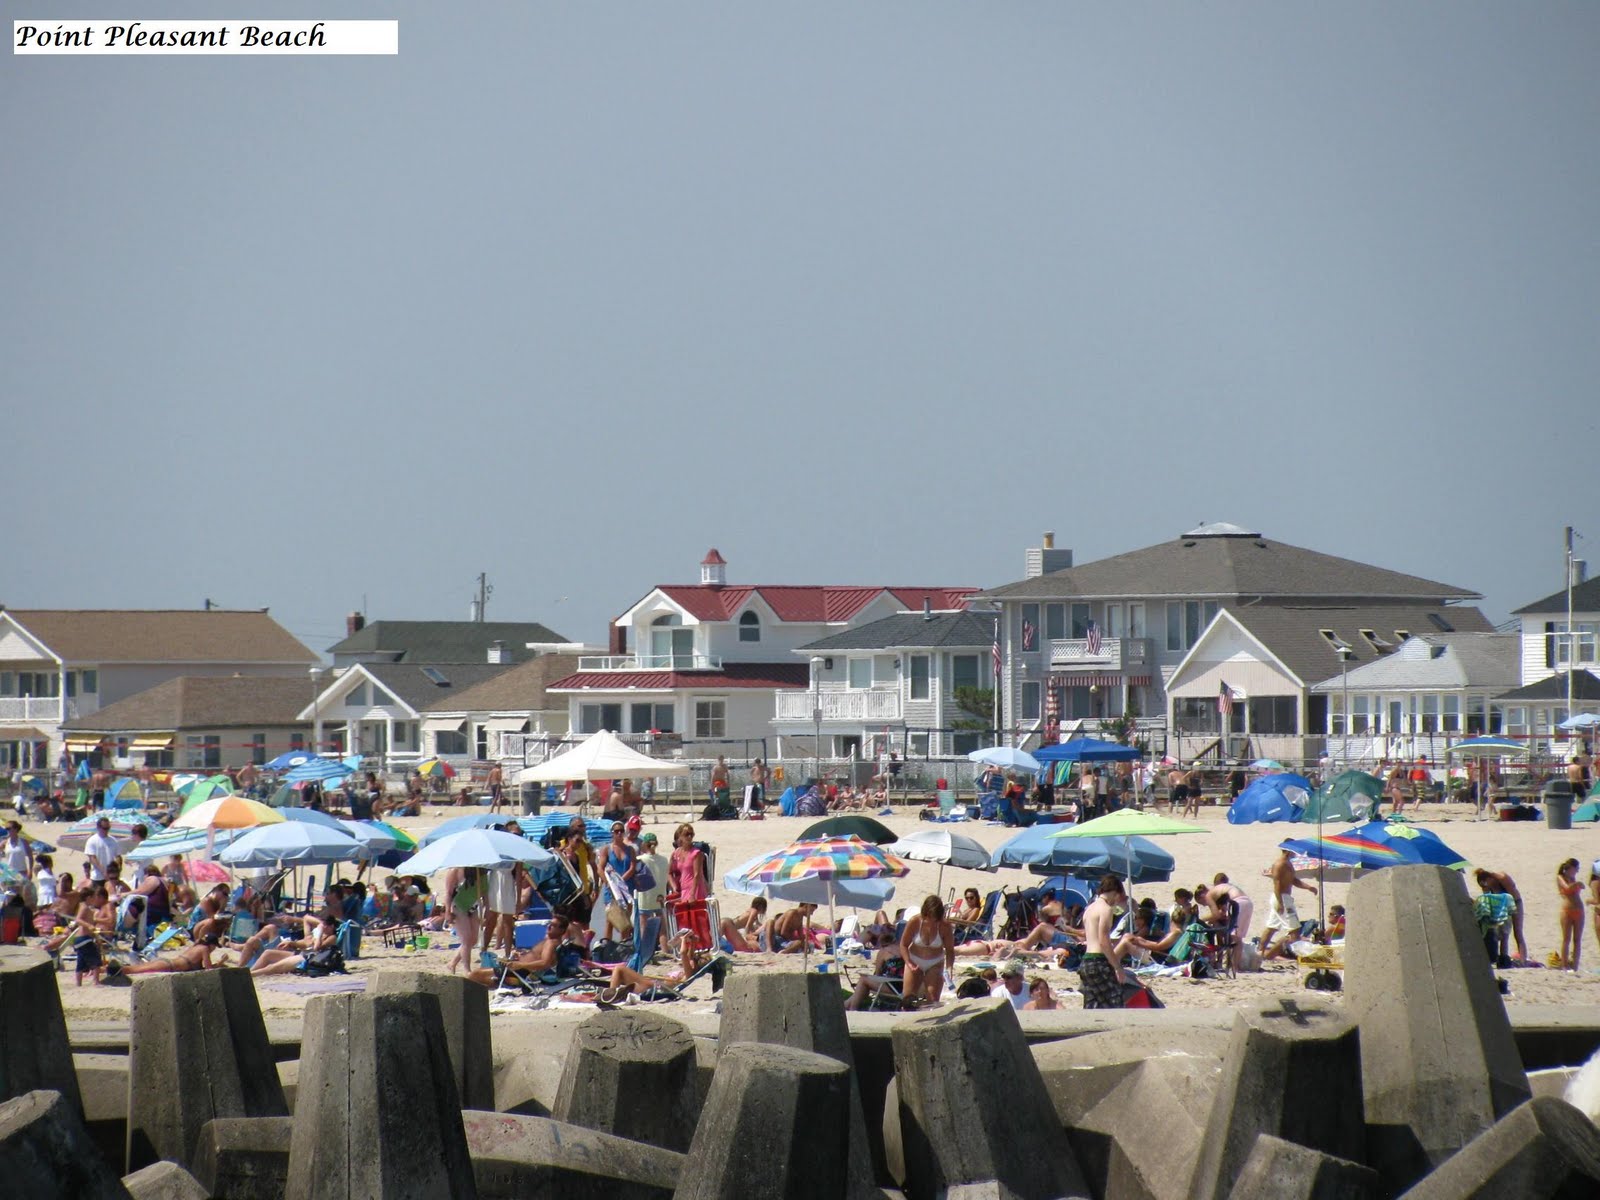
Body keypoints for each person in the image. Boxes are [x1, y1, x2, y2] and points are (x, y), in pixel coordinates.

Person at [467, 913, 571, 987]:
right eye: (549, 923)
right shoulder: (551, 940)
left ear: (561, 930)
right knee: (486, 969)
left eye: (553, 926)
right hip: (519, 967)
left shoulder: (551, 943)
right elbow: (538, 957)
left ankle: (501, 982)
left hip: (521, 971)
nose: (549, 927)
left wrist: (520, 965)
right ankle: (502, 981)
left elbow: (545, 963)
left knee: (474, 974)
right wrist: (522, 955)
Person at [1079, 874, 1129, 1009]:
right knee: (1115, 1000)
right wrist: (1118, 967)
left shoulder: (1089, 909)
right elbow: (1103, 941)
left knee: (1093, 1004)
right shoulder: (1106, 909)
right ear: (1116, 892)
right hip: (1098, 961)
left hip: (1086, 961)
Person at [1260, 849, 1318, 961]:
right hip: (1282, 898)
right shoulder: (1279, 864)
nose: (1295, 854)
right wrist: (1280, 902)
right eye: (1293, 852)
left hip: (1284, 898)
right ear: (1287, 851)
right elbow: (1276, 884)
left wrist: (1308, 887)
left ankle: (1260, 952)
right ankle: (1268, 955)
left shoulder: (1288, 864)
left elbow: (1293, 880)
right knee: (1294, 931)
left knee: (1272, 927)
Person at [901, 895, 956, 1006]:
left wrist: (949, 968)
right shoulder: (915, 921)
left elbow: (950, 950)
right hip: (914, 960)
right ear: (925, 913)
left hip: (935, 963)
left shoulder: (945, 926)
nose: (931, 922)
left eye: (935, 919)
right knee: (908, 999)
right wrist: (908, 962)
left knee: (932, 998)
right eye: (929, 918)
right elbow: (903, 945)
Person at [1195, 874, 1254, 972]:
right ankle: (1235, 966)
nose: (1205, 905)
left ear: (1202, 896)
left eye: (1203, 903)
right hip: (1247, 902)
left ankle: (1235, 968)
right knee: (1238, 937)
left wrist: (1200, 920)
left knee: (1235, 937)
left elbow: (1216, 915)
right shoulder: (1222, 889)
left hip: (1237, 903)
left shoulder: (1209, 895)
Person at [113, 932, 225, 977]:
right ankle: (111, 970)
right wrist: (221, 963)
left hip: (167, 962)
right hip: (168, 966)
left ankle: (105, 969)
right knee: (134, 970)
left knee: (135, 968)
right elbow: (208, 969)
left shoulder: (196, 947)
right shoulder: (204, 949)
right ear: (211, 945)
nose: (214, 949)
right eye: (214, 946)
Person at [1476, 868, 1527, 960]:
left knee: (1517, 932)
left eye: (1485, 885)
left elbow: (1513, 895)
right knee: (1501, 934)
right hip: (1501, 906)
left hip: (1515, 903)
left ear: (1489, 878)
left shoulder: (1502, 878)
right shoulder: (1488, 886)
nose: (1485, 888)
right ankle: (1502, 957)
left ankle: (1523, 958)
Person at [599, 821, 637, 943]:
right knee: (610, 920)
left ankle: (624, 946)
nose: (619, 833)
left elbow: (632, 867)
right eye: (616, 831)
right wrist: (608, 883)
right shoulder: (606, 849)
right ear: (612, 833)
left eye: (621, 830)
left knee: (625, 921)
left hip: (626, 889)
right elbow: (600, 868)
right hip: (611, 890)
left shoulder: (630, 850)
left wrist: (621, 881)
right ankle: (606, 946)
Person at [444, 865, 483, 975]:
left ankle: (452, 963)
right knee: (466, 939)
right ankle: (467, 970)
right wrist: (447, 911)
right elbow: (448, 892)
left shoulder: (476, 870)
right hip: (459, 906)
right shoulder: (454, 870)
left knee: (474, 940)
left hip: (473, 906)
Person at [667, 823, 708, 903]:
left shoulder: (696, 853)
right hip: (683, 889)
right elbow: (669, 873)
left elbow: (697, 874)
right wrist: (674, 887)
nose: (689, 837)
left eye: (691, 834)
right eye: (686, 834)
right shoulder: (676, 853)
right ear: (680, 836)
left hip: (695, 889)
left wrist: (692, 894)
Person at [1557, 858, 1584, 973]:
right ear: (1571, 868)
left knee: (1577, 939)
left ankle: (1575, 966)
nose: (1577, 871)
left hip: (1579, 910)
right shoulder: (1561, 877)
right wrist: (1577, 884)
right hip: (1567, 910)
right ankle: (1565, 965)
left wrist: (1577, 884)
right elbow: (1567, 888)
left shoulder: (1573, 878)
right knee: (1566, 939)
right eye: (1576, 868)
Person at [83, 817, 120, 884]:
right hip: (97, 876)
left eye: (108, 828)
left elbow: (118, 856)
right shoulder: (92, 840)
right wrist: (103, 872)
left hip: (111, 876)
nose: (107, 830)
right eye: (104, 828)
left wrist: (116, 870)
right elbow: (92, 858)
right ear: (98, 828)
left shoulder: (113, 840)